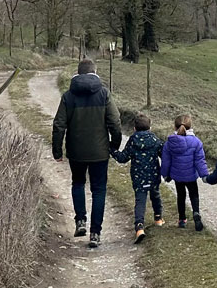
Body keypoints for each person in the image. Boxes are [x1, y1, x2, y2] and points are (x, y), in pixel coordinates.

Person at [52, 58, 122, 249]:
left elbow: (59, 125)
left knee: (78, 183)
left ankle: (80, 220)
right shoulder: (104, 94)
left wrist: (57, 150)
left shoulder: (68, 96)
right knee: (99, 190)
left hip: (76, 151)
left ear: (78, 72)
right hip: (100, 151)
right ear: (95, 72)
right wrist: (114, 145)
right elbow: (115, 122)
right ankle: (95, 233)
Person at [111, 112, 164, 244]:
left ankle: (139, 227)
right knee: (155, 195)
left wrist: (112, 150)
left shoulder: (133, 141)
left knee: (140, 201)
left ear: (134, 128)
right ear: (150, 127)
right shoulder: (155, 140)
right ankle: (158, 218)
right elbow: (164, 155)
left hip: (138, 177)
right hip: (153, 175)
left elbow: (123, 158)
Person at [160, 113, 208, 231]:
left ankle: (182, 219)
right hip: (191, 175)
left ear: (175, 127)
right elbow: (199, 161)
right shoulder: (196, 142)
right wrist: (204, 175)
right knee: (194, 194)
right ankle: (196, 212)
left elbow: (166, 161)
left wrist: (165, 174)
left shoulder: (169, 143)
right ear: (191, 126)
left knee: (181, 196)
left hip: (178, 176)